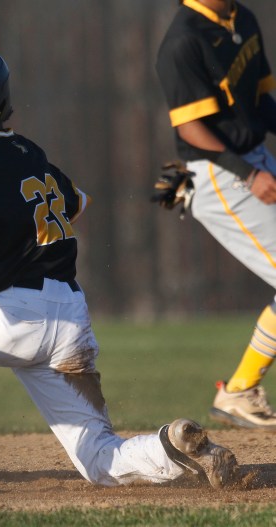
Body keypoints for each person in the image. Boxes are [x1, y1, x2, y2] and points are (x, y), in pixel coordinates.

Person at [0, 45, 239, 488]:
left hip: (14, 319)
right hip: (71, 319)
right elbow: (76, 203)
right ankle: (172, 448)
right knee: (98, 459)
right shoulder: (29, 152)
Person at [155, 0, 276, 430]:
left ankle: (240, 390)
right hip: (218, 174)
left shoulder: (243, 18)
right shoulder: (183, 40)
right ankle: (238, 391)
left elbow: (261, 100)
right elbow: (190, 129)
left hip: (253, 157)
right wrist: (249, 174)